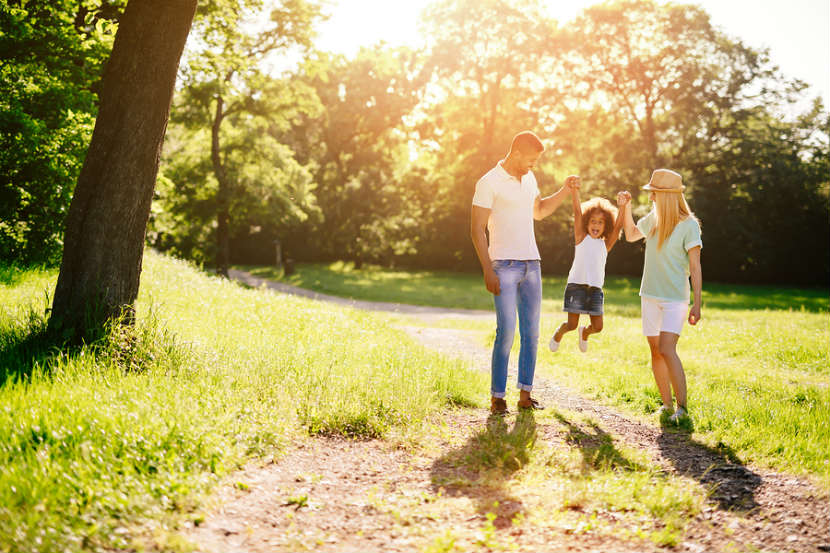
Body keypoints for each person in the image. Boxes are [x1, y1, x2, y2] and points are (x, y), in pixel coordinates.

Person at [470, 130, 578, 415]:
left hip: (532, 265)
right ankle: (497, 397)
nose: (534, 165)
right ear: (516, 153)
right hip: (503, 266)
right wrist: (487, 269)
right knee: (506, 332)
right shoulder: (488, 182)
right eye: (531, 159)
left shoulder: (529, 178)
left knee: (531, 334)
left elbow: (540, 211)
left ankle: (525, 395)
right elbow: (476, 230)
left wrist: (565, 190)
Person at [618, 169, 702, 424]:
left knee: (667, 348)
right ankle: (666, 405)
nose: (651, 196)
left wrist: (697, 303)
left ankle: (682, 408)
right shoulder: (653, 219)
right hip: (649, 295)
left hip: (675, 298)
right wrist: (626, 207)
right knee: (655, 350)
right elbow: (631, 234)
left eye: (654, 192)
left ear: (666, 195)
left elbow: (695, 266)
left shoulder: (689, 225)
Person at [549, 183, 623, 353]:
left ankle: (585, 332)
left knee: (598, 327)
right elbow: (576, 212)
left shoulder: (605, 245)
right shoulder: (581, 237)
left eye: (600, 222)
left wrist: (624, 206)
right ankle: (559, 333)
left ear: (606, 226)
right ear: (586, 222)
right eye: (593, 221)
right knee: (571, 325)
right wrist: (575, 191)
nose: (596, 225)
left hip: (595, 290)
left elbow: (619, 227)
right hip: (576, 286)